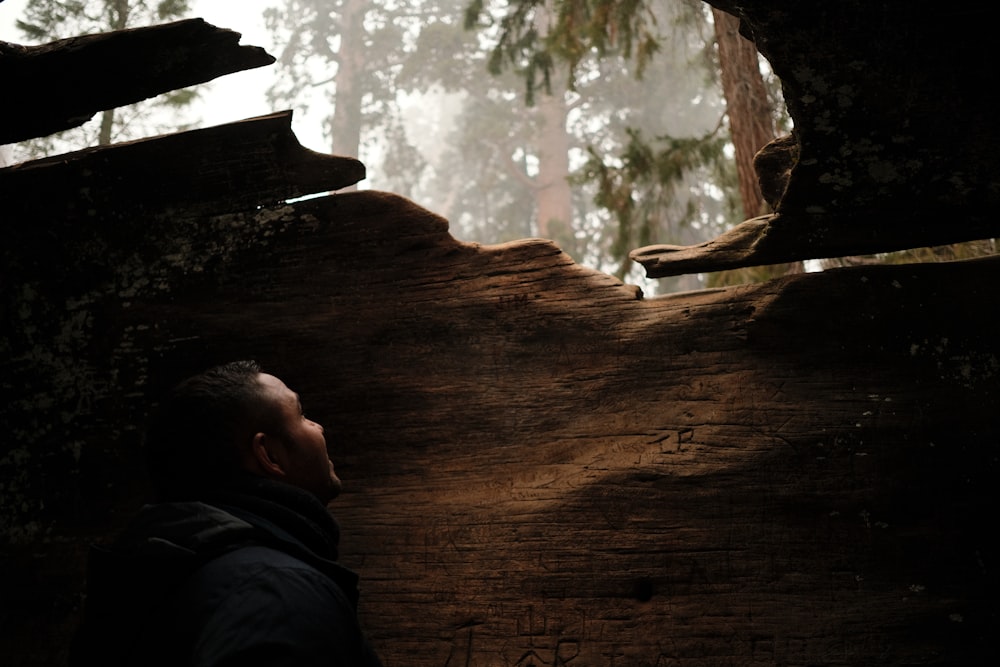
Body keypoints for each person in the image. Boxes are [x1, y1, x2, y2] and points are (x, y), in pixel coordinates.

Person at [70, 360, 384, 667]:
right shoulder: (275, 593)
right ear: (270, 455)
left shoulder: (146, 590)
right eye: (301, 415)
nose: (318, 426)